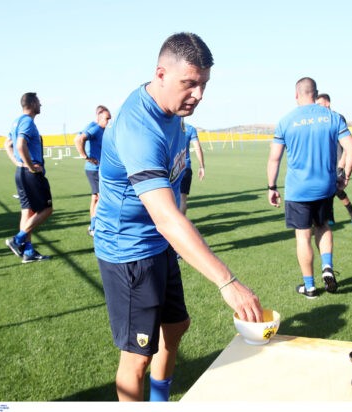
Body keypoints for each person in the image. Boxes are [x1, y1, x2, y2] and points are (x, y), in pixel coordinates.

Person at [93, 32, 263, 402]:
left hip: (157, 242)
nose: (198, 95)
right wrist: (227, 282)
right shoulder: (139, 127)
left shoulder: (173, 112)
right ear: (161, 74)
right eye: (189, 83)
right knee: (137, 358)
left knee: (176, 325)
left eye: (204, 84)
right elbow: (167, 217)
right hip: (128, 249)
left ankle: (159, 402)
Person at [267, 78, 352, 299]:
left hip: (298, 189)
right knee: (323, 226)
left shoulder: (286, 120)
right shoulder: (332, 117)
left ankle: (309, 287)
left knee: (302, 237)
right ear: (315, 94)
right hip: (325, 187)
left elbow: (274, 158)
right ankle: (327, 267)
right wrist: (345, 176)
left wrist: (272, 187)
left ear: (296, 94)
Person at [4, 92, 53, 263]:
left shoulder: (16, 121)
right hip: (31, 173)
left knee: (28, 211)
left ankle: (28, 252)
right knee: (47, 209)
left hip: (21, 172)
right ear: (32, 104)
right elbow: (19, 144)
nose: (41, 105)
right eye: (39, 102)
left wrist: (18, 163)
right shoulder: (27, 122)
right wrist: (31, 167)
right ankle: (17, 240)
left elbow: (7, 144)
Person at [316, 93, 352, 228]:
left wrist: (342, 163)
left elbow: (348, 146)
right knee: (325, 188)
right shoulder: (318, 120)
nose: (317, 107)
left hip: (338, 158)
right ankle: (330, 216)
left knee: (336, 189)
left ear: (327, 103)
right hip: (324, 160)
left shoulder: (338, 118)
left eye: (320, 104)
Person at [73, 105, 111, 236]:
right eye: (107, 118)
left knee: (95, 197)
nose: (109, 121)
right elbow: (78, 139)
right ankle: (94, 227)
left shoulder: (101, 129)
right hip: (94, 169)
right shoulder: (95, 128)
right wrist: (85, 156)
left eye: (110, 118)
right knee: (101, 197)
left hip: (96, 169)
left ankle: (93, 225)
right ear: (99, 118)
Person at [179, 120, 205, 215]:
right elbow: (197, 148)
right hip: (185, 168)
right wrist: (201, 166)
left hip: (169, 169)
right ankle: (181, 222)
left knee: (168, 199)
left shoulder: (167, 126)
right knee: (183, 199)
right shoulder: (190, 129)